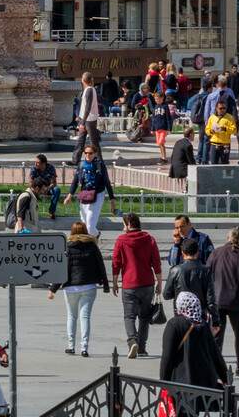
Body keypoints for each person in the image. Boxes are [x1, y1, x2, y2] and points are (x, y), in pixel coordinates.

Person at [45, 220, 107, 357]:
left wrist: (53, 289)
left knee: (72, 316)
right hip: (89, 287)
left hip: (71, 288)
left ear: (72, 232)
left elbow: (62, 270)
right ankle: (84, 348)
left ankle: (71, 346)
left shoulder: (67, 247)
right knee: (85, 317)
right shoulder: (92, 246)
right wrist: (105, 284)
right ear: (85, 230)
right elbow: (100, 265)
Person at [110, 211, 161, 360]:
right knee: (144, 317)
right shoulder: (149, 239)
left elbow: (116, 263)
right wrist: (159, 283)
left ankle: (132, 340)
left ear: (129, 224)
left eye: (123, 225)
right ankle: (142, 347)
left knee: (129, 316)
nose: (122, 228)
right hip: (147, 284)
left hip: (129, 284)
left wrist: (114, 282)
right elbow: (156, 262)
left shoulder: (121, 240)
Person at [210, 226, 239, 377]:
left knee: (217, 335)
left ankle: (215, 368)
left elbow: (207, 275)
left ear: (227, 237)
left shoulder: (216, 253)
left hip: (218, 300)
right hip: (237, 301)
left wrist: (207, 299)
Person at [158, 292, 227, 388]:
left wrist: (163, 382)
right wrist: (225, 378)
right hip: (207, 385)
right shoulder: (204, 325)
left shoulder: (174, 325)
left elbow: (167, 357)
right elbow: (215, 355)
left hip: (182, 384)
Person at [161, 238, 212, 322]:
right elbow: (211, 298)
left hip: (180, 314)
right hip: (200, 314)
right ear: (198, 252)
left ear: (182, 253)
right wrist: (216, 320)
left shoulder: (175, 270)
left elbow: (166, 295)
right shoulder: (206, 270)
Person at [73, 143, 111, 231]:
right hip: (85, 194)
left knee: (90, 226)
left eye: (90, 153)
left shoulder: (100, 165)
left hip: (98, 195)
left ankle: (96, 235)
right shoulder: (81, 165)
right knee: (84, 225)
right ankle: (90, 242)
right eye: (86, 153)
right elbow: (75, 180)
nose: (88, 155)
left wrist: (111, 198)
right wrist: (70, 194)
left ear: (95, 153)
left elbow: (106, 182)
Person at [29, 154, 60, 219]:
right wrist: (37, 189)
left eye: (38, 163)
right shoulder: (33, 169)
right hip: (37, 189)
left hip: (49, 188)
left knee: (57, 190)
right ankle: (33, 212)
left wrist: (47, 189)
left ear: (43, 163)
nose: (35, 164)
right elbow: (31, 183)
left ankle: (52, 211)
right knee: (30, 191)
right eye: (35, 162)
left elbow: (54, 183)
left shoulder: (51, 168)